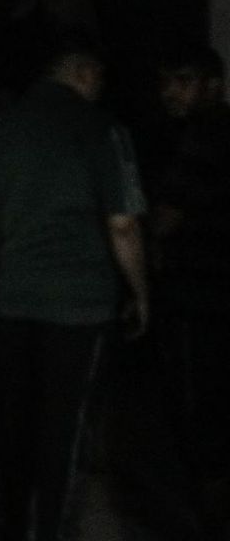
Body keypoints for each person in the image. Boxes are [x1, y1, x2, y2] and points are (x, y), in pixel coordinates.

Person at [0, 28, 149, 541]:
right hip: (81, 305)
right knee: (64, 427)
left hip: (9, 298)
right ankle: (49, 527)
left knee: (10, 421)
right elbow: (123, 225)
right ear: (83, 72)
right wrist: (141, 293)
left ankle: (10, 523)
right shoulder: (102, 130)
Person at [146, 45, 230, 527]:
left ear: (212, 85)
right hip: (208, 294)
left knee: (200, 408)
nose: (169, 93)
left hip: (201, 297)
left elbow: (166, 217)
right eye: (165, 81)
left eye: (182, 81)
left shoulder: (202, 138)